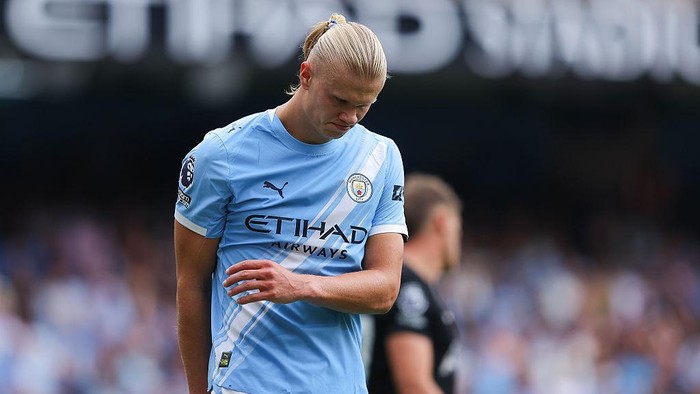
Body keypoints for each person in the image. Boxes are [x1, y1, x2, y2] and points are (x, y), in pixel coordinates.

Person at [174, 13, 407, 394]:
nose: (350, 117)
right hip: (245, 385)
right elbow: (191, 283)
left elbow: (384, 289)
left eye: (365, 105)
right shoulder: (221, 155)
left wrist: (299, 285)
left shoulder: (381, 157)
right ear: (306, 76)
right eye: (340, 100)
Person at [364, 173, 462, 394]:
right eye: (458, 227)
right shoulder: (408, 284)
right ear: (442, 222)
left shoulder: (414, 283)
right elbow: (413, 385)